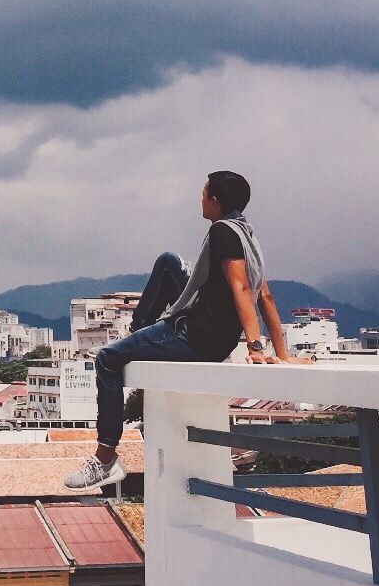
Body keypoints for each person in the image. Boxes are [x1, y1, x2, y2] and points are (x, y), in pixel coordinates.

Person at [65, 170, 298, 491]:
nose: (199, 199)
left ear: (214, 202)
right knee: (169, 263)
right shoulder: (247, 235)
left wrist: (256, 348)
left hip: (196, 336)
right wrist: (283, 354)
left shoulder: (222, 233)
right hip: (207, 325)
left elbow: (244, 289)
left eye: (203, 194)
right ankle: (139, 333)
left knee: (106, 359)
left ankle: (105, 459)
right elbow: (266, 294)